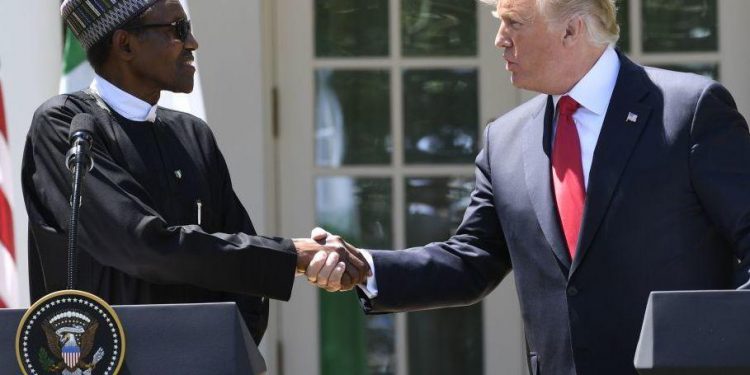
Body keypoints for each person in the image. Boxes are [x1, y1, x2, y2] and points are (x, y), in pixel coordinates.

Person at [308, 0, 750, 374]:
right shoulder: (505, 138)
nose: (500, 39)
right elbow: (472, 260)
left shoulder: (688, 110)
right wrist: (366, 267)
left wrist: (712, 341)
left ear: (572, 30)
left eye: (514, 23)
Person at [22, 0, 368, 344]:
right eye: (178, 30)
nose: (192, 43)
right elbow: (139, 244)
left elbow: (242, 276)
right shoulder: (66, 125)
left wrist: (235, 354)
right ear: (125, 44)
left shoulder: (192, 134)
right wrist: (295, 255)